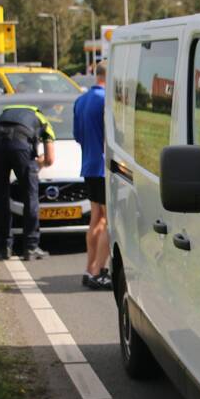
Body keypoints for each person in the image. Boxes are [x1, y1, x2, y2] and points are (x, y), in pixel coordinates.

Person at [0, 104, 55, 260]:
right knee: (30, 197)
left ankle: (4, 248)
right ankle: (31, 247)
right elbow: (50, 159)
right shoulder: (42, 119)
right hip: (21, 148)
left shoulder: (2, 116)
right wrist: (38, 163)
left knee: (1, 198)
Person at [73, 61, 111, 290]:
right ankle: (98, 271)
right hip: (104, 168)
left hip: (88, 165)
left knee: (96, 216)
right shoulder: (106, 100)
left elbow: (78, 135)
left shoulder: (81, 100)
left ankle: (89, 269)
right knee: (108, 221)